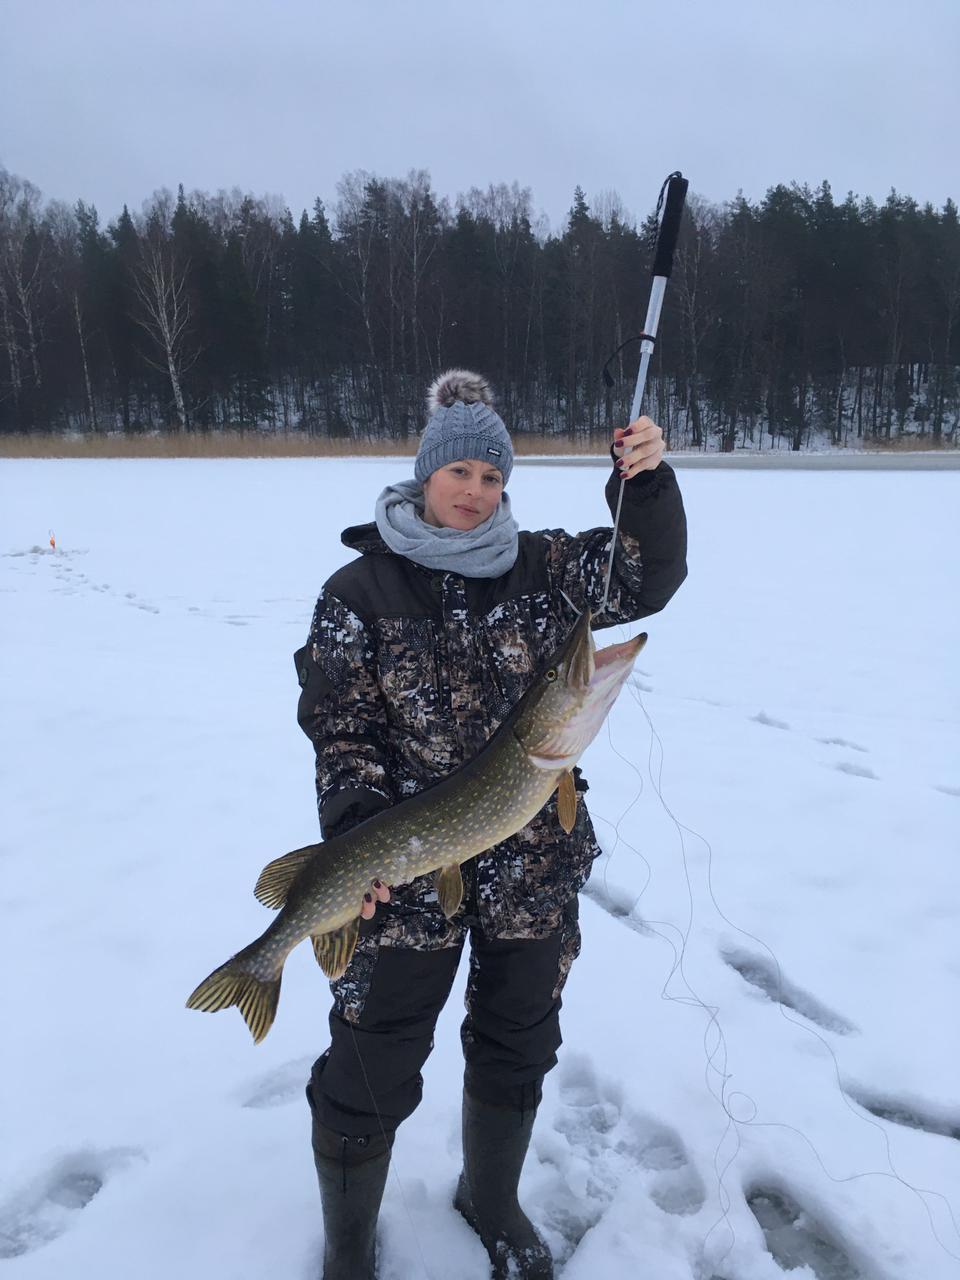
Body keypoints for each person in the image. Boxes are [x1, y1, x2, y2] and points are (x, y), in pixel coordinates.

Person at [294, 370, 688, 1279]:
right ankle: (349, 1245)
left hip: (535, 870)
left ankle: (492, 1197)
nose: (475, 493)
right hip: (403, 867)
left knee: (518, 1041)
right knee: (370, 1058)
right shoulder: (358, 591)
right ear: (425, 473)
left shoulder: (546, 570)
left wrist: (649, 481)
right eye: (460, 472)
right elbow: (341, 727)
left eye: (493, 478)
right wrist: (360, 834)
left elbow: (645, 574)